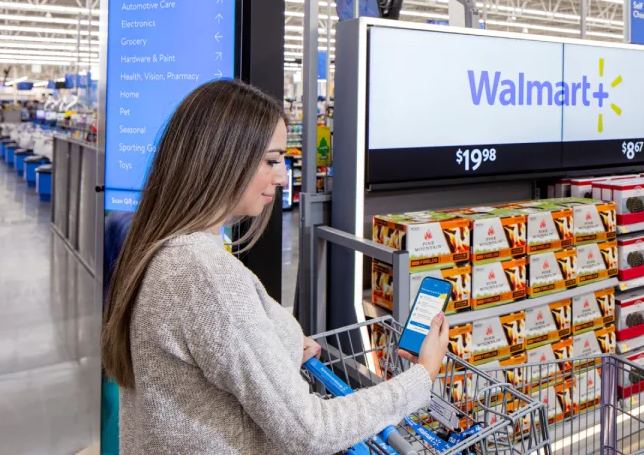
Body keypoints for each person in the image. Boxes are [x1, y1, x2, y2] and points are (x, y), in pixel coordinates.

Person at [101, 80, 449, 454]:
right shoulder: (205, 276)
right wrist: (421, 377)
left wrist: (277, 348)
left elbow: (207, 363)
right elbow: (313, 432)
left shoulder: (166, 249)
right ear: (222, 157)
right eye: (271, 160)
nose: (283, 177)